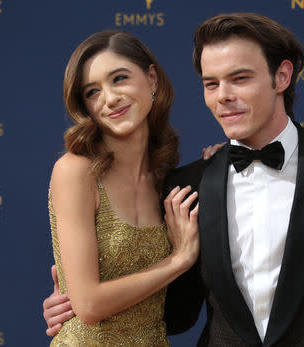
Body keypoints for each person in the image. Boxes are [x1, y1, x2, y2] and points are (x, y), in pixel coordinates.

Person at [44, 13, 304, 346]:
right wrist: (73, 304)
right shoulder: (188, 187)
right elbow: (176, 314)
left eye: (240, 78)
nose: (224, 96)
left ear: (282, 76)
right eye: (211, 83)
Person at [46, 30, 203, 346]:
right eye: (92, 92)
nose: (109, 98)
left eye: (119, 79)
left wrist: (215, 165)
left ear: (152, 79)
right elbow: (88, 306)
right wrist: (178, 260)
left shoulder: (165, 182)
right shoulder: (76, 171)